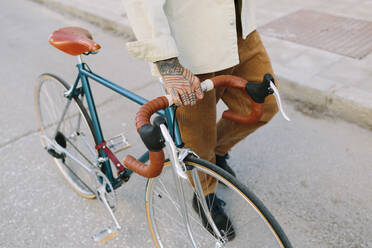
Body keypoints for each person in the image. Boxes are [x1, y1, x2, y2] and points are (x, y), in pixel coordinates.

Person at [123, 0, 278, 239]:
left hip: (238, 27)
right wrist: (166, 62)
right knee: (198, 136)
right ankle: (205, 195)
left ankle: (215, 156)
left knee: (264, 105)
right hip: (191, 40)